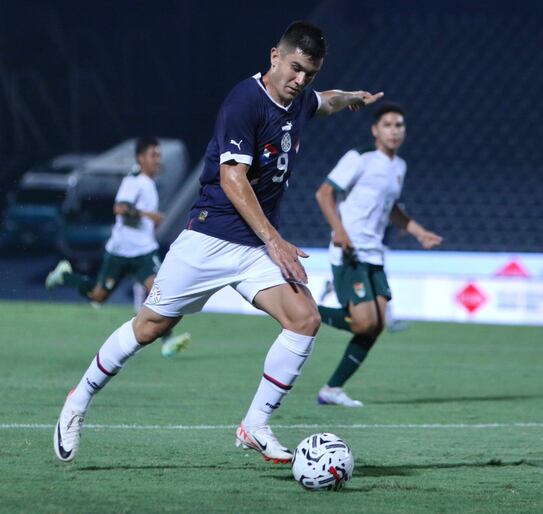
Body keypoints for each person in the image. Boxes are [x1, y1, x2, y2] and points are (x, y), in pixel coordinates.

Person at [53, 21, 383, 464]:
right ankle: (78, 401)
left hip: (255, 248)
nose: (302, 80)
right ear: (274, 57)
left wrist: (352, 99)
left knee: (304, 318)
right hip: (211, 236)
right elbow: (232, 178)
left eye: (311, 73)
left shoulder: (300, 99)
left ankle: (256, 425)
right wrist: (276, 240)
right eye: (296, 68)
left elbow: (323, 103)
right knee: (150, 327)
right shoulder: (245, 101)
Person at [314, 102, 442, 407]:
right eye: (388, 125)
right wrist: (340, 230)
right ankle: (307, 311)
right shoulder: (360, 158)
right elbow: (324, 193)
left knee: (378, 323)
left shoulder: (399, 167)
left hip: (374, 254)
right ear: (375, 130)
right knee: (363, 323)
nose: (394, 130)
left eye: (399, 125)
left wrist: (418, 231)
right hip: (350, 250)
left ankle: (331, 390)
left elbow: (392, 209)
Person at [45, 137, 191, 358]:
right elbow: (120, 208)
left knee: (160, 290)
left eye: (159, 155)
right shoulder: (134, 181)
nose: (157, 160)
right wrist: (148, 215)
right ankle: (65, 276)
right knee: (98, 296)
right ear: (140, 158)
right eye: (153, 155)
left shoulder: (149, 183)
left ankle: (168, 342)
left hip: (144, 252)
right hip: (120, 252)